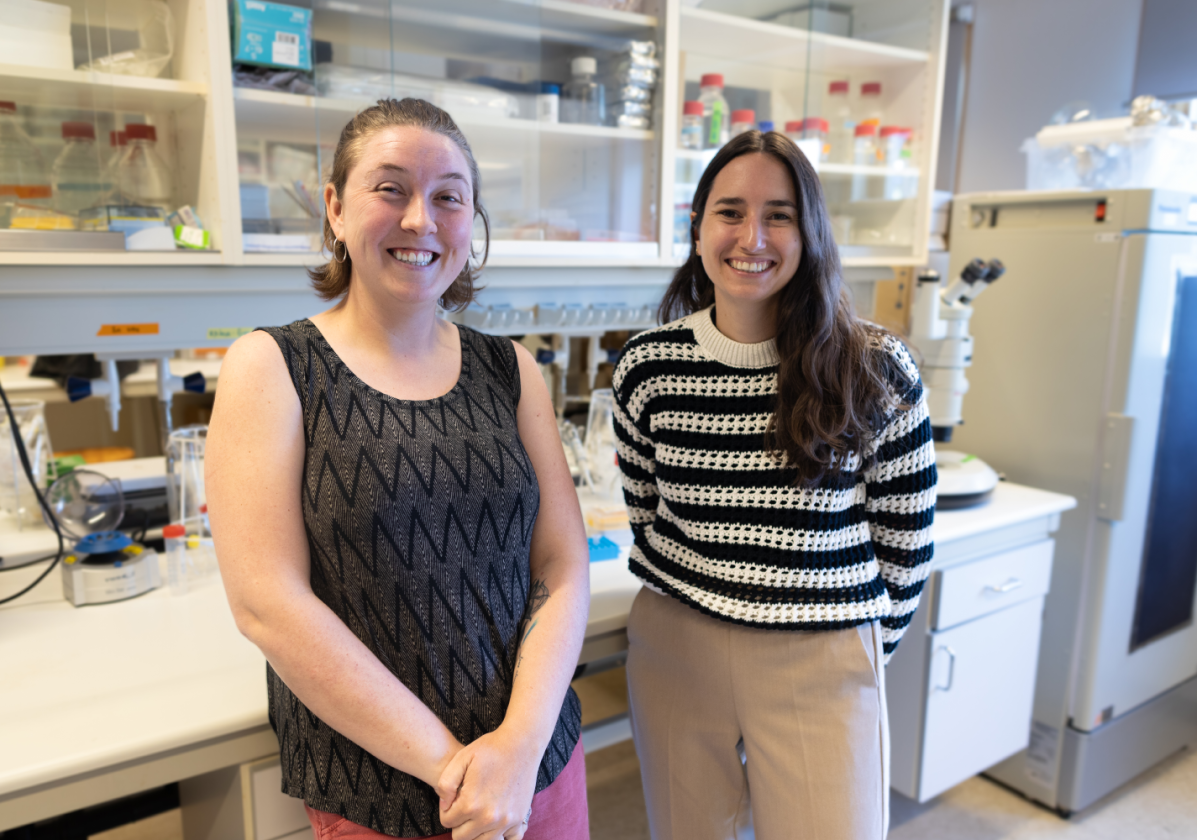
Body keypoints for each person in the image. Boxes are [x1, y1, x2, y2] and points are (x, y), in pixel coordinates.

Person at [206, 98, 591, 840]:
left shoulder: (509, 369)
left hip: (539, 767)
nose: (421, 219)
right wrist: (459, 772)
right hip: (381, 795)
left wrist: (516, 748)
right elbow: (267, 603)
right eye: (390, 189)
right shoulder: (275, 367)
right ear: (335, 209)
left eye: (449, 197)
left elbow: (562, 560)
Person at [611, 129, 937, 840]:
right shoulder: (647, 367)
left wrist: (858, 649)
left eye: (779, 214)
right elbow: (646, 509)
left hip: (820, 654)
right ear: (697, 229)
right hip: (677, 643)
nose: (751, 236)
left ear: (809, 231)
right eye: (729, 211)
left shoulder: (876, 368)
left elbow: (906, 544)